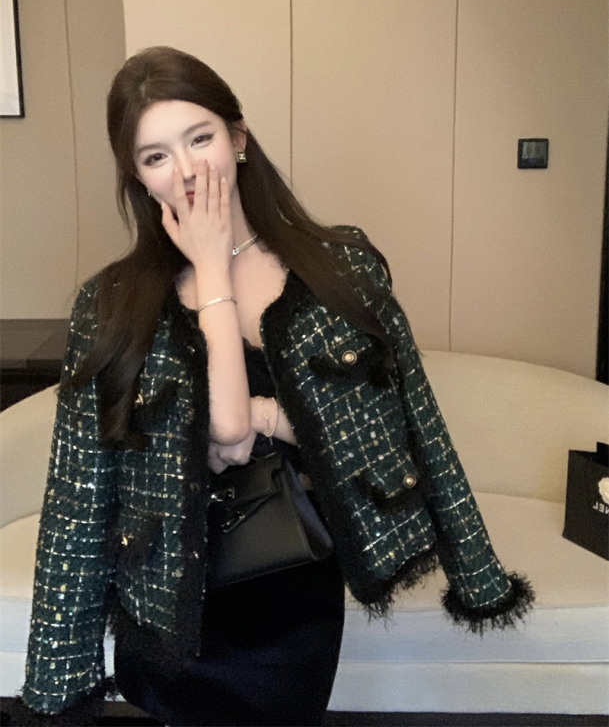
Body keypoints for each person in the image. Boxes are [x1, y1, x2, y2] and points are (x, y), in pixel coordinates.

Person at [14, 47, 534, 726]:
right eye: (156, 156)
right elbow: (78, 499)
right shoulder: (110, 304)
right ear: (137, 177)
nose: (187, 170)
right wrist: (57, 675)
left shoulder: (338, 266)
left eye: (199, 139)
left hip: (291, 594)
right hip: (171, 604)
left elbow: (407, 425)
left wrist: (476, 572)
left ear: (238, 138)